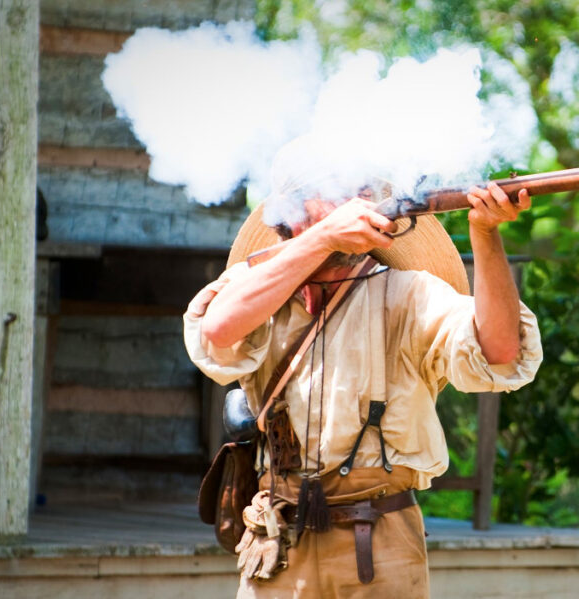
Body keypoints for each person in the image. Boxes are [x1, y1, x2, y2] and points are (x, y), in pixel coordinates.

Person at [183, 155, 542, 598]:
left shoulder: (409, 293)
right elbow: (217, 333)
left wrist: (485, 234)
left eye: (363, 191)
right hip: (275, 540)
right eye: (339, 189)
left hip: (379, 539)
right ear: (294, 210)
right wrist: (321, 240)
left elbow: (502, 353)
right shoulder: (255, 284)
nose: (359, 201)